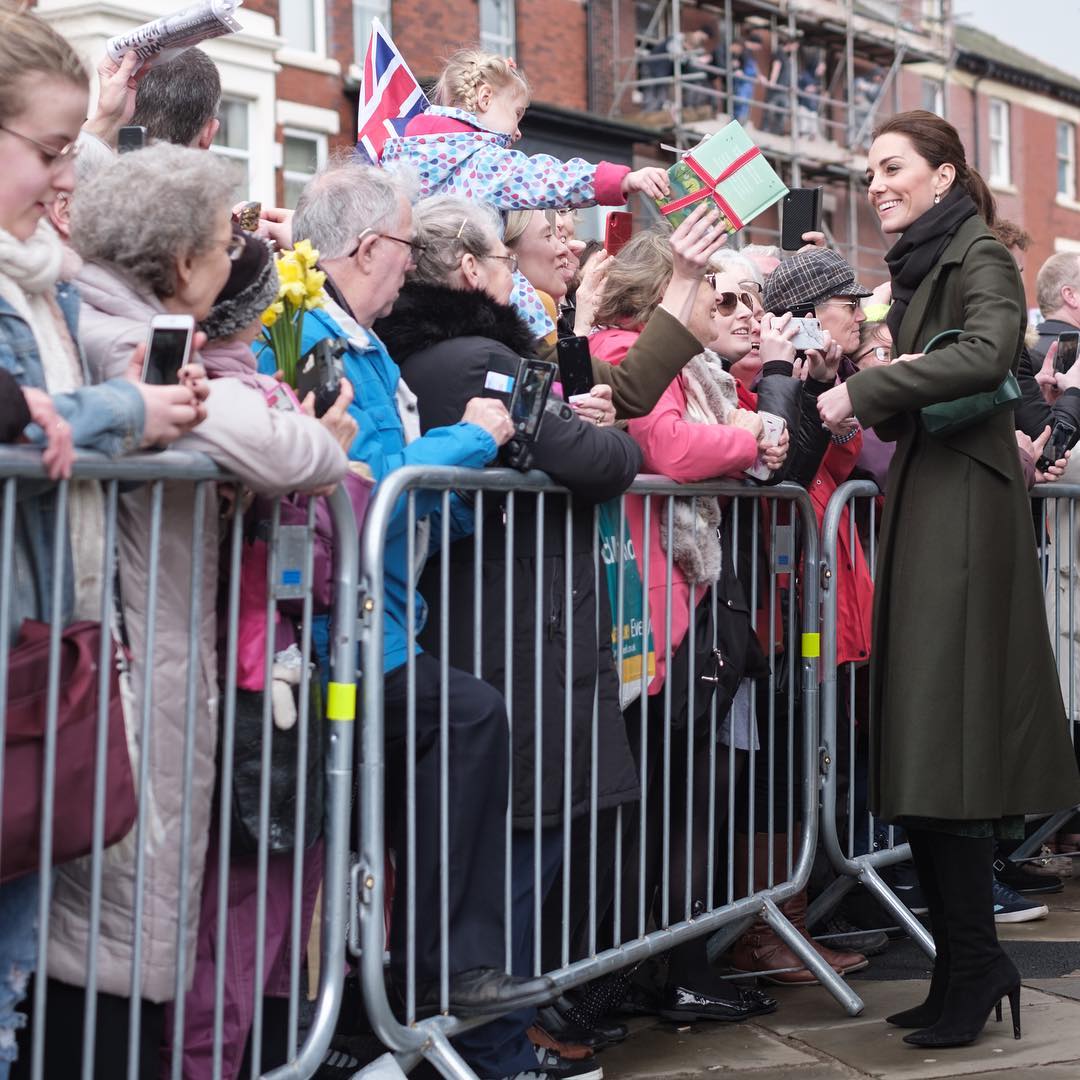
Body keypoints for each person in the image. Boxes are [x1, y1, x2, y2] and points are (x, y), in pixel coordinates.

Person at [22, 143, 348, 1079]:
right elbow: (287, 452)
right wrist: (311, 436)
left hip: (153, 663)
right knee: (101, 960)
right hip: (125, 674)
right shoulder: (124, 336)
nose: (233, 256)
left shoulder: (148, 328)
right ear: (177, 262)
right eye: (219, 241)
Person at [818, 109, 1080, 1049]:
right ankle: (965, 961)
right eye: (872, 169)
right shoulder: (929, 260)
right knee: (929, 740)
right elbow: (955, 380)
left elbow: (988, 356)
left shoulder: (978, 254)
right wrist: (886, 372)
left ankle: (972, 964)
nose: (878, 182)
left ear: (942, 173)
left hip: (964, 511)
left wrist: (870, 388)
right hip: (935, 501)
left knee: (950, 737)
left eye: (893, 167)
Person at [374, 193, 642, 1080]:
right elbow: (597, 464)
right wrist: (601, 437)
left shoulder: (412, 352)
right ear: (471, 272)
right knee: (517, 850)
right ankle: (491, 1051)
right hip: (517, 631)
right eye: (499, 256)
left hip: (489, 624)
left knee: (491, 848)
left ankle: (483, 1041)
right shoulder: (481, 358)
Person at [280, 158, 555, 1018]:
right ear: (366, 247)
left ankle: (405, 988)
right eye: (405, 244)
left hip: (385, 621)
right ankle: (444, 973)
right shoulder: (304, 339)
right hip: (337, 630)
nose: (414, 260)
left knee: (403, 789)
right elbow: (358, 484)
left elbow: (402, 494)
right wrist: (470, 442)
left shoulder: (359, 342)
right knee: (468, 715)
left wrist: (464, 496)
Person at [0, 14, 212, 1077]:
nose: (59, 178)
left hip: (36, 647)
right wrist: (121, 411)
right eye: (47, 153)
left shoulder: (32, 272)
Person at [160, 228, 364, 1080]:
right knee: (250, 914)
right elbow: (325, 548)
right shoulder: (242, 403)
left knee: (265, 910)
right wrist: (332, 455)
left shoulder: (251, 394)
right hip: (253, 675)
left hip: (256, 670)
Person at [380, 48, 669, 338]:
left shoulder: (399, 156)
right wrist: (622, 180)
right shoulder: (483, 161)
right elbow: (549, 178)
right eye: (517, 114)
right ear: (485, 98)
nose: (518, 132)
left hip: (413, 294)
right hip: (474, 294)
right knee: (534, 324)